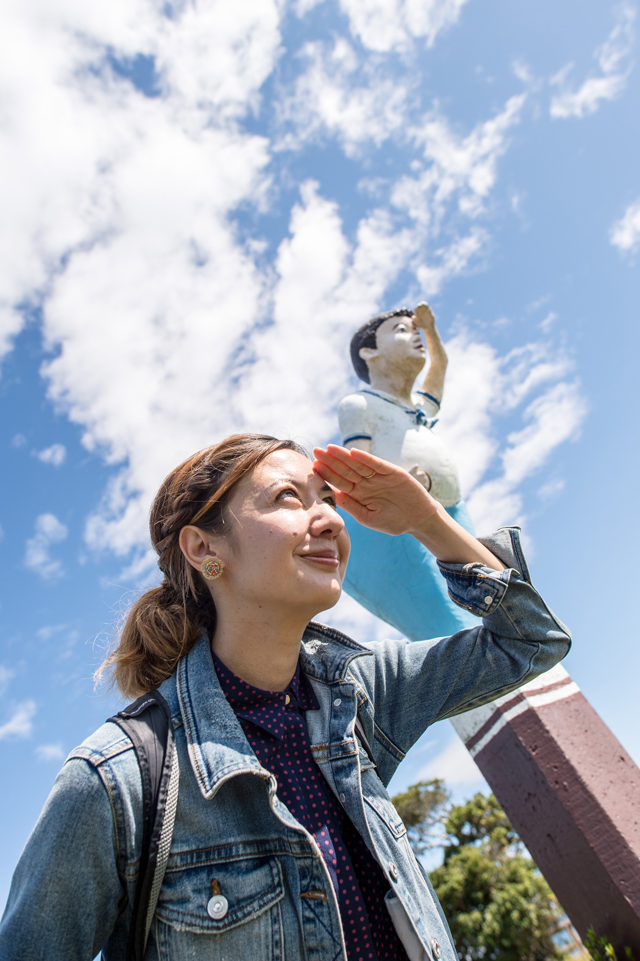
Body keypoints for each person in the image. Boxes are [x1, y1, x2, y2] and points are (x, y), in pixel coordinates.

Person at [0, 433, 570, 961]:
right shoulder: (117, 780)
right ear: (203, 548)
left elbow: (530, 641)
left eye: (329, 499)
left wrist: (426, 518)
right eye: (289, 498)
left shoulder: (361, 692)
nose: (327, 519)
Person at [338, 303, 476, 640]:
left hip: (453, 511)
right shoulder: (360, 405)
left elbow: (439, 366)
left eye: (416, 332)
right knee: (451, 625)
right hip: (405, 525)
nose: (415, 337)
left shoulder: (416, 407)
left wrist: (430, 329)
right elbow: (360, 470)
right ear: (369, 352)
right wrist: (397, 488)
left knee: (488, 596)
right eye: (402, 330)